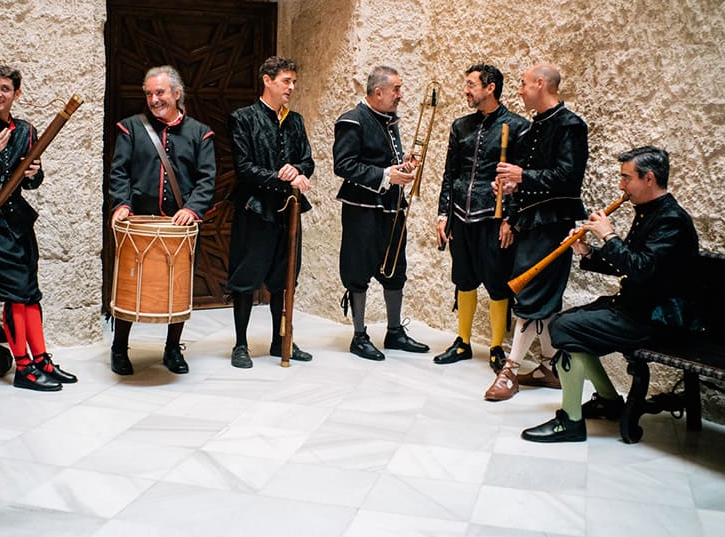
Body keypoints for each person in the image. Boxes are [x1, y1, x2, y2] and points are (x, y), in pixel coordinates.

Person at [522, 146, 698, 442]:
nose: (621, 185)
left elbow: (640, 268)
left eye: (626, 178)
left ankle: (571, 422)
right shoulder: (650, 213)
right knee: (570, 323)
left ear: (649, 179)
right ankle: (607, 400)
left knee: (564, 327)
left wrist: (609, 235)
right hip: (635, 308)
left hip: (659, 320)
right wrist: (587, 251)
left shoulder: (671, 221)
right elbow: (627, 262)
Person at [0, 65, 76, 391]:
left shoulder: (26, 131)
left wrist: (34, 174)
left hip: (17, 222)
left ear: (16, 94)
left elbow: (32, 183)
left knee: (30, 293)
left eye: (5, 88)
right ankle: (23, 368)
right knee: (16, 293)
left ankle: (41, 360)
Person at [484, 63, 588, 401]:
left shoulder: (570, 126)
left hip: (554, 223)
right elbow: (525, 183)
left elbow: (569, 178)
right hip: (528, 223)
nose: (519, 90)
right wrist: (510, 202)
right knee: (541, 297)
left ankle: (510, 369)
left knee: (530, 293)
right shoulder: (529, 131)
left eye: (524, 84)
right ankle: (548, 366)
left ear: (541, 84)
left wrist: (522, 177)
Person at [108, 65, 216, 374]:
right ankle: (119, 348)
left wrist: (192, 208)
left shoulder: (200, 132)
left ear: (177, 94)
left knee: (178, 288)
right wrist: (122, 204)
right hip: (138, 223)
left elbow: (207, 178)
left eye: (160, 92)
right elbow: (119, 172)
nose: (154, 99)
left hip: (178, 225)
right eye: (149, 94)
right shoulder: (131, 127)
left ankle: (172, 349)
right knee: (130, 286)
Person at [435, 64, 529, 372]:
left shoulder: (518, 126)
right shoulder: (460, 126)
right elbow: (450, 173)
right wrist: (443, 213)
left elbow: (520, 180)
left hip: (495, 216)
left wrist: (511, 220)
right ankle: (462, 341)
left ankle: (495, 348)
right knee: (463, 278)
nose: (466, 90)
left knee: (498, 283)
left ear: (490, 88)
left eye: (471, 84)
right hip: (461, 214)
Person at [333, 65, 429, 360]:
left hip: (392, 208)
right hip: (362, 210)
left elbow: (384, 161)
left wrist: (403, 166)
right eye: (396, 89)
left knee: (396, 268)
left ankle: (394, 332)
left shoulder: (389, 121)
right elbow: (344, 165)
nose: (401, 95)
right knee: (358, 269)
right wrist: (387, 174)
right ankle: (359, 336)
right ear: (378, 92)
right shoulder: (352, 120)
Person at [225, 56, 314, 368]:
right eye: (286, 81)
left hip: (288, 210)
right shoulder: (243, 118)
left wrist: (297, 169)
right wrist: (282, 175)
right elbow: (245, 167)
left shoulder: (296, 120)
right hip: (255, 210)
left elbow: (307, 161)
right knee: (246, 278)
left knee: (285, 277)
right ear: (267, 80)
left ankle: (281, 341)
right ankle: (240, 345)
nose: (291, 87)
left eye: (293, 82)